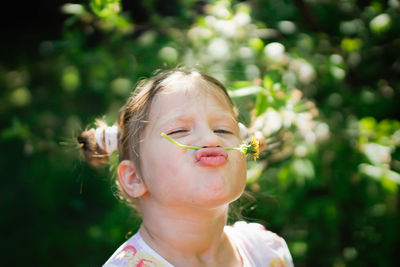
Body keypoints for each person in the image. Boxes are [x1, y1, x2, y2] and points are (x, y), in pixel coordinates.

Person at [78, 68, 294, 267]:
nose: (210, 139)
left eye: (223, 130)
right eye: (178, 131)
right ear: (134, 178)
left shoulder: (267, 253)